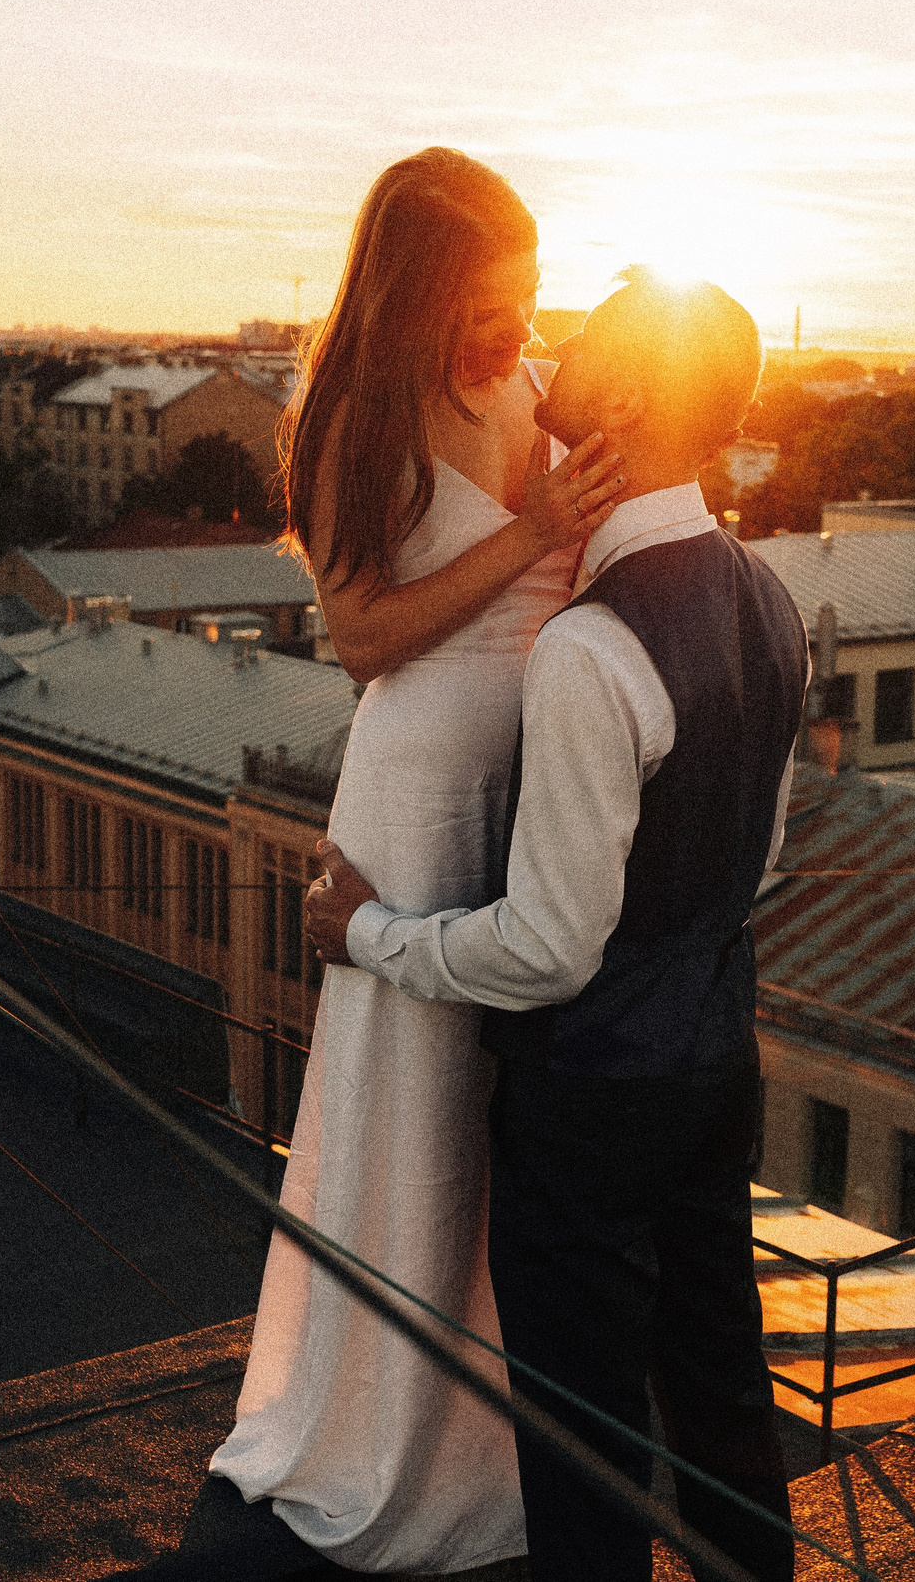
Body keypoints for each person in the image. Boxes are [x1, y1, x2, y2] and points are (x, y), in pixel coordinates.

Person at [304, 269, 806, 1582]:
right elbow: (760, 857)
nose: (550, 355)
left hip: (588, 1104)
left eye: (581, 346)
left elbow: (546, 951)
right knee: (721, 1396)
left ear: (630, 398)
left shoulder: (590, 649)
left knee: (583, 1456)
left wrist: (370, 934)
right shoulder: (769, 602)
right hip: (713, 1065)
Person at [208, 148, 627, 1574]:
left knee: (517, 1121)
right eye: (487, 306)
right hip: (423, 789)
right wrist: (534, 533)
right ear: (411, 296)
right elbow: (364, 641)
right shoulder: (346, 419)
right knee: (423, 1112)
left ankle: (502, 1421)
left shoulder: (528, 376)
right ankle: (391, 1439)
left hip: (533, 777)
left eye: (528, 296)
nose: (514, 327)